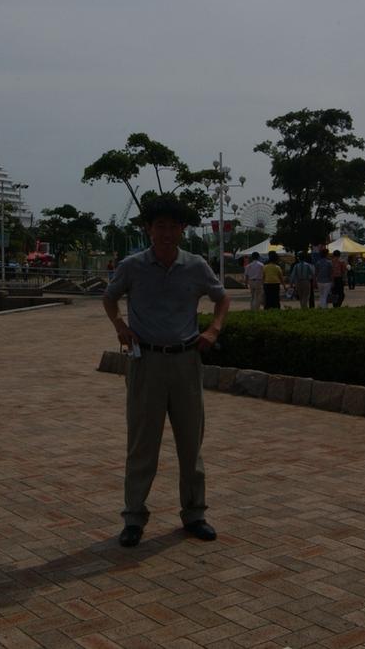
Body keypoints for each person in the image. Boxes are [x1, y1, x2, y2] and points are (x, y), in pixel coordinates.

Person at [103, 196, 230, 548]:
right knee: (142, 444)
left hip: (186, 360)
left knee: (191, 443)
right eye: (160, 226)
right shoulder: (132, 266)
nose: (166, 233)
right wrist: (119, 326)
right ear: (148, 229)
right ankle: (133, 517)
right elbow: (109, 297)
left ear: (182, 230)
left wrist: (213, 329)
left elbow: (222, 298)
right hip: (147, 363)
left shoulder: (196, 265)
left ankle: (194, 514)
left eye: (173, 226)